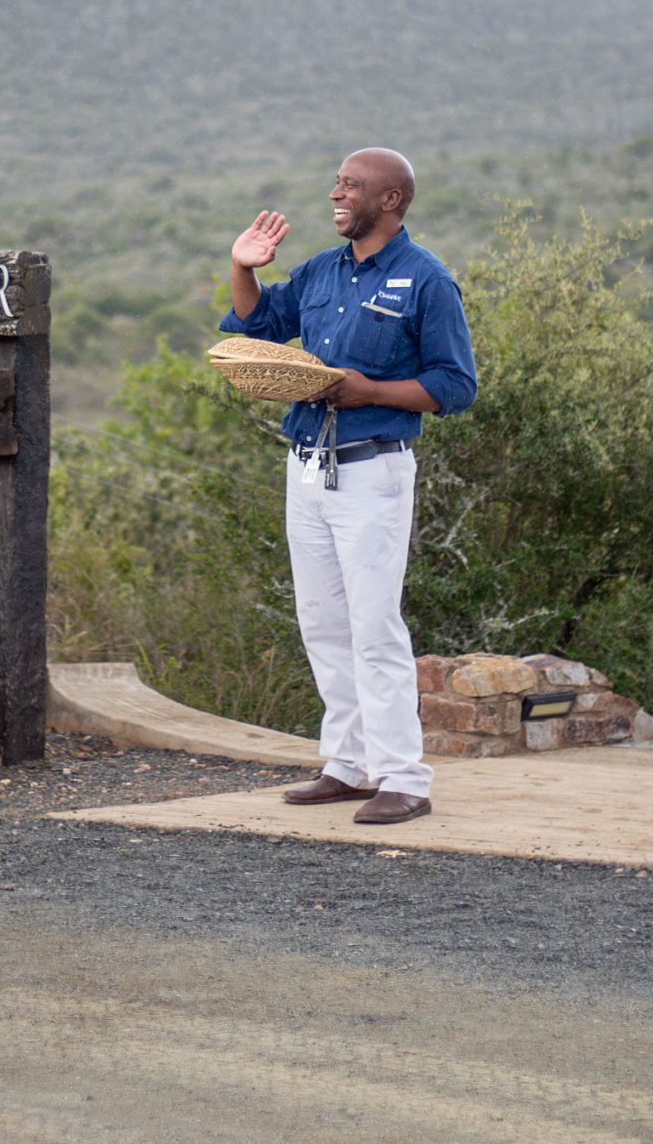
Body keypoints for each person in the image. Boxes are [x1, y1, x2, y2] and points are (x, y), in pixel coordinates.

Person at [221, 148, 476, 825]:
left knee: (373, 625)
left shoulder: (426, 280)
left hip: (374, 467)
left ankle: (404, 777)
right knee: (323, 621)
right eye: (337, 181)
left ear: (390, 200)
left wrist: (369, 390)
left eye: (352, 185)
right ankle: (349, 763)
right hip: (307, 462)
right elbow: (257, 324)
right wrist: (242, 267)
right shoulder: (323, 270)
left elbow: (455, 385)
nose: (336, 192)